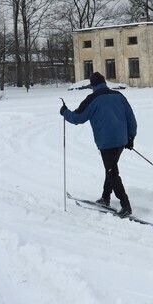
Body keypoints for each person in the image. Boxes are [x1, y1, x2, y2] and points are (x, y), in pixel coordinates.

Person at [61, 72, 137, 217]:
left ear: (93, 85)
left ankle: (126, 205)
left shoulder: (92, 99)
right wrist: (131, 136)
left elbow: (78, 118)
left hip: (106, 142)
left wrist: (64, 112)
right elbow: (130, 117)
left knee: (112, 172)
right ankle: (105, 198)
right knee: (111, 168)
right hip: (121, 140)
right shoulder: (119, 96)